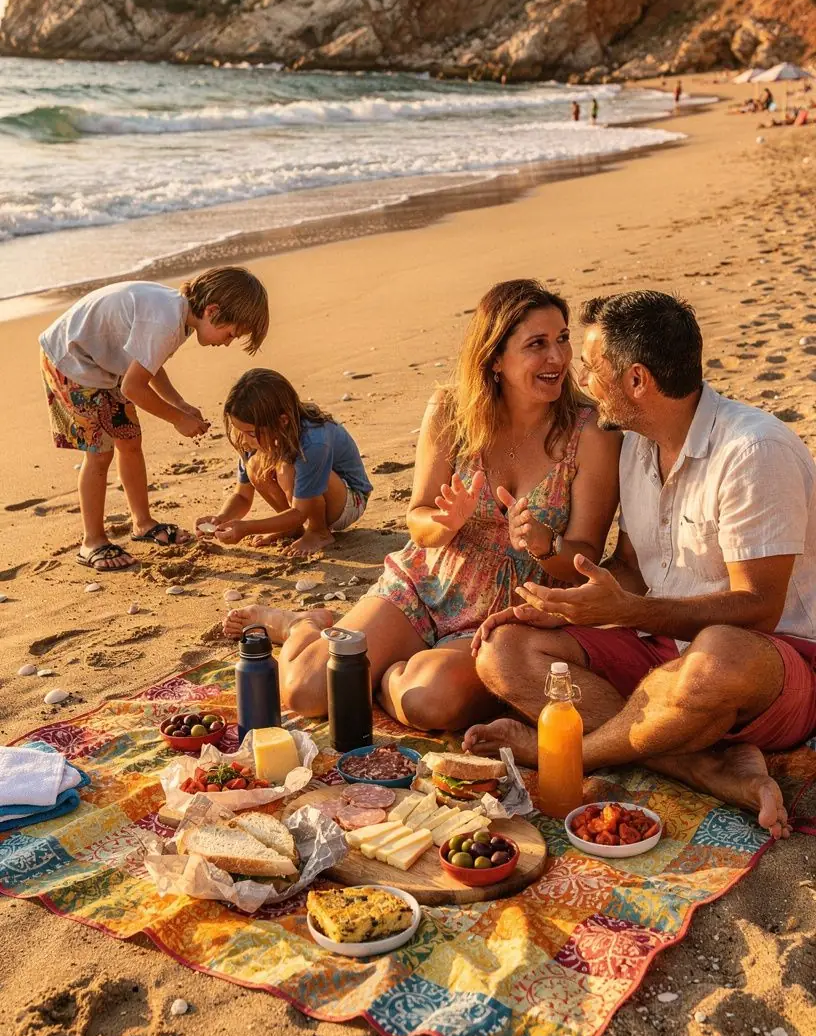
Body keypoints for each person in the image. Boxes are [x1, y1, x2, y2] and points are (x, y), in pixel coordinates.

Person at [465, 290, 816, 839]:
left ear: (635, 381)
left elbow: (759, 609)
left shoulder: (753, 452)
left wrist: (628, 610)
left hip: (769, 663)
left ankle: (562, 753)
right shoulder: (634, 444)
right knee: (504, 649)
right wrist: (573, 609)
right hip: (663, 651)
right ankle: (698, 765)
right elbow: (630, 564)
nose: (579, 376)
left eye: (592, 365)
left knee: (717, 652)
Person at [224, 280, 621, 730]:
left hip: (509, 613)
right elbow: (419, 521)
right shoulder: (451, 410)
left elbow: (584, 560)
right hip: (426, 582)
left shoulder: (592, 434)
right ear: (494, 358)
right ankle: (304, 625)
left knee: (432, 701)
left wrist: (544, 544)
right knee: (308, 690)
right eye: (538, 344)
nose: (558, 358)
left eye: (562, 339)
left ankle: (384, 669)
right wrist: (446, 523)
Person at [39, 268, 269, 572]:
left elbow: (149, 363)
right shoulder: (165, 321)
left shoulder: (181, 316)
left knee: (130, 441)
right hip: (72, 362)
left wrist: (179, 403)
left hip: (106, 366)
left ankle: (142, 523)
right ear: (213, 311)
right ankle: (91, 541)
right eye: (230, 335)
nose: (227, 343)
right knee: (99, 452)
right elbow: (133, 387)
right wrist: (177, 419)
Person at [201, 369, 372, 557]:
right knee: (256, 466)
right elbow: (242, 496)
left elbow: (300, 511)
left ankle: (318, 531)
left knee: (286, 467)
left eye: (251, 433)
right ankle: (292, 529)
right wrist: (222, 518)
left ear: (282, 421)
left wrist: (247, 528)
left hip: (348, 500)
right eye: (239, 431)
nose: (245, 440)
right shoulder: (251, 441)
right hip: (303, 503)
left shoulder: (313, 441)